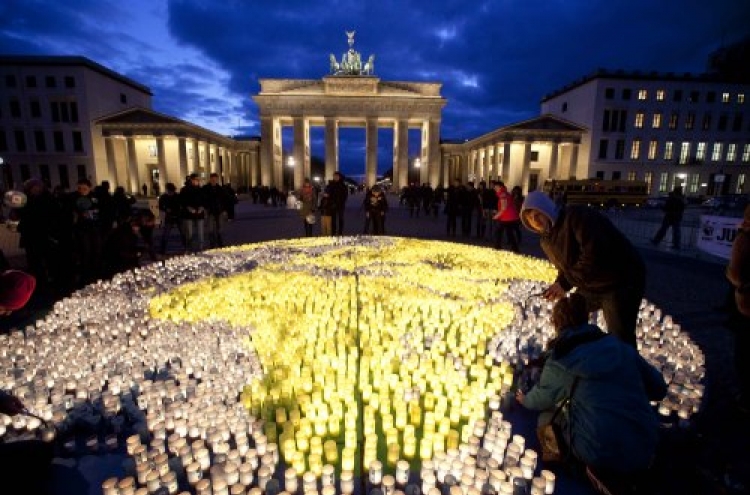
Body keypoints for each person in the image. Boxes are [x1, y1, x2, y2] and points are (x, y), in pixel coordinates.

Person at [516, 293, 667, 494]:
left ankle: (581, 468)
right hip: (645, 447)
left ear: (556, 325)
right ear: (585, 318)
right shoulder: (620, 348)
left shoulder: (563, 359)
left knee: (546, 418)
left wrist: (524, 399)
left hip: (599, 450)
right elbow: (659, 389)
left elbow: (541, 400)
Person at [520, 191, 645, 347]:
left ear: (546, 209)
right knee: (570, 314)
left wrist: (565, 284)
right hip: (592, 283)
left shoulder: (576, 216)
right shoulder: (547, 241)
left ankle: (626, 366)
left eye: (537, 215)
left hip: (620, 279)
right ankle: (581, 352)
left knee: (619, 334)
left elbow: (595, 253)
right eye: (530, 220)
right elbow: (566, 267)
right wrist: (559, 284)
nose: (535, 221)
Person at [726, 204, 750, 413]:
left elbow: (735, 272)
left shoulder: (744, 239)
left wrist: (741, 286)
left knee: (745, 349)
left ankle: (745, 397)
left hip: (747, 304)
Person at [650, 185, 686, 250]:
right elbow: (683, 208)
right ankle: (676, 244)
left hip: (669, 216)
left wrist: (661, 206)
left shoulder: (671, 198)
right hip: (677, 217)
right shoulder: (682, 199)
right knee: (676, 231)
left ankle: (656, 241)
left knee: (663, 229)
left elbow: (666, 207)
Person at [492, 181, 520, 252]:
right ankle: (515, 249)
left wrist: (496, 216)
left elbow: (504, 208)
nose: (495, 189)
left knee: (498, 231)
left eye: (496, 187)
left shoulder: (502, 195)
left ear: (500, 187)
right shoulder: (505, 193)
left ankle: (497, 247)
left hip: (506, 217)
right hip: (510, 216)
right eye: (494, 187)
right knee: (509, 233)